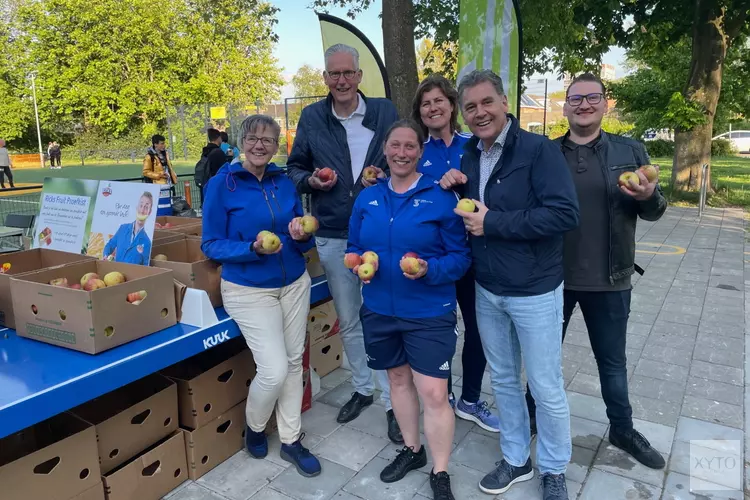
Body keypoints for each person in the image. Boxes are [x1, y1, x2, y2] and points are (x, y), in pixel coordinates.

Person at [440, 69, 579, 500]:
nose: (479, 113)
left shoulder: (538, 150)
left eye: (486, 103)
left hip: (535, 289)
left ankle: (554, 468)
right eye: (470, 107)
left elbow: (563, 214)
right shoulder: (468, 154)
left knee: (544, 384)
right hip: (488, 287)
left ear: (504, 102)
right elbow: (474, 209)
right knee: (501, 379)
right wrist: (453, 192)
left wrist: (493, 222)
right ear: (463, 115)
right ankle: (517, 458)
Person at [525, 73, 668, 470]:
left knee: (613, 361)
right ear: (565, 106)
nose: (584, 105)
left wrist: (648, 195)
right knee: (542, 358)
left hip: (610, 276)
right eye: (576, 99)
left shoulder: (630, 150)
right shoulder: (546, 153)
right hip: (552, 279)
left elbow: (656, 211)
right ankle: (530, 416)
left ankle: (622, 428)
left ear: (606, 104)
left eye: (592, 98)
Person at [348, 120, 470, 500]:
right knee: (398, 381)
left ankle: (441, 469)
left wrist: (429, 270)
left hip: (429, 311)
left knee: (433, 393)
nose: (401, 153)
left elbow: (460, 258)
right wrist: (356, 265)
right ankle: (412, 450)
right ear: (384, 150)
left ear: (420, 152)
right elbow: (354, 246)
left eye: (410, 147)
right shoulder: (367, 198)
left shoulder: (440, 197)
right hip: (380, 310)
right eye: (395, 146)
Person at [287, 43, 402, 441]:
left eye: (347, 73)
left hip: (379, 230)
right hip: (334, 232)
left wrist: (385, 175)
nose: (341, 80)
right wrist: (312, 181)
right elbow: (294, 167)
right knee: (350, 318)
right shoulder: (312, 117)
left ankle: (393, 401)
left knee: (382, 318)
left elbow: (404, 156)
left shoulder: (385, 112)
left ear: (359, 76)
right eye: (333, 74)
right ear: (325, 78)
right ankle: (363, 388)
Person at [201, 114, 322, 478]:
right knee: (273, 368)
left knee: (294, 361)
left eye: (268, 140)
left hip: (293, 283)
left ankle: (291, 438)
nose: (259, 145)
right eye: (253, 138)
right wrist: (251, 249)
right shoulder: (223, 185)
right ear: (240, 142)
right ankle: (254, 427)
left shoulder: (284, 182)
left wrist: (303, 236)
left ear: (276, 146)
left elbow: (302, 234)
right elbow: (211, 244)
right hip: (248, 289)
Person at [411, 74, 499, 433]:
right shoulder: (414, 150)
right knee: (440, 330)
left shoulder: (474, 144)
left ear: (452, 106)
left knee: (478, 330)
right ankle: (442, 395)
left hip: (475, 253)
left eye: (438, 101)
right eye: (425, 103)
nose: (432, 108)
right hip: (434, 257)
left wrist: (463, 182)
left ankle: (471, 400)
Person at [103, 191, 154, 265]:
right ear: (137, 208)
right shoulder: (122, 229)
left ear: (150, 212)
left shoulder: (147, 243)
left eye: (146, 207)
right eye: (141, 205)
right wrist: (105, 255)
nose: (142, 211)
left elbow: (145, 267)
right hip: (116, 274)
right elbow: (110, 245)